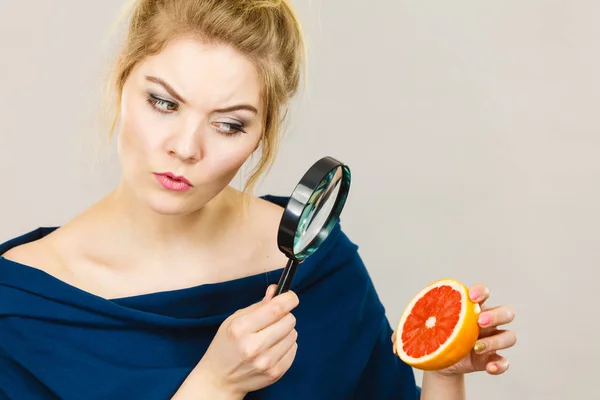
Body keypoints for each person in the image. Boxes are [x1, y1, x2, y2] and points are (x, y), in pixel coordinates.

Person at [0, 0, 517, 399]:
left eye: (229, 124)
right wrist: (215, 386)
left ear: (263, 133)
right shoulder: (17, 306)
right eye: (163, 102)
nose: (185, 147)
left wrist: (443, 375)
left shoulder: (320, 261)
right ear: (121, 82)